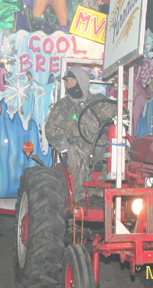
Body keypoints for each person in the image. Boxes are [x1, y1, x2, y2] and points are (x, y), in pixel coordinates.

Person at [45, 67, 114, 203]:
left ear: (81, 82)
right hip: (76, 147)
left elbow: (116, 112)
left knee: (119, 151)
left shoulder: (99, 101)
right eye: (67, 81)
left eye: (72, 80)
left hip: (99, 146)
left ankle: (107, 191)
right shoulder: (62, 106)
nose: (69, 84)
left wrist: (120, 116)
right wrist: (63, 143)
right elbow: (51, 128)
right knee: (76, 153)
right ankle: (81, 196)